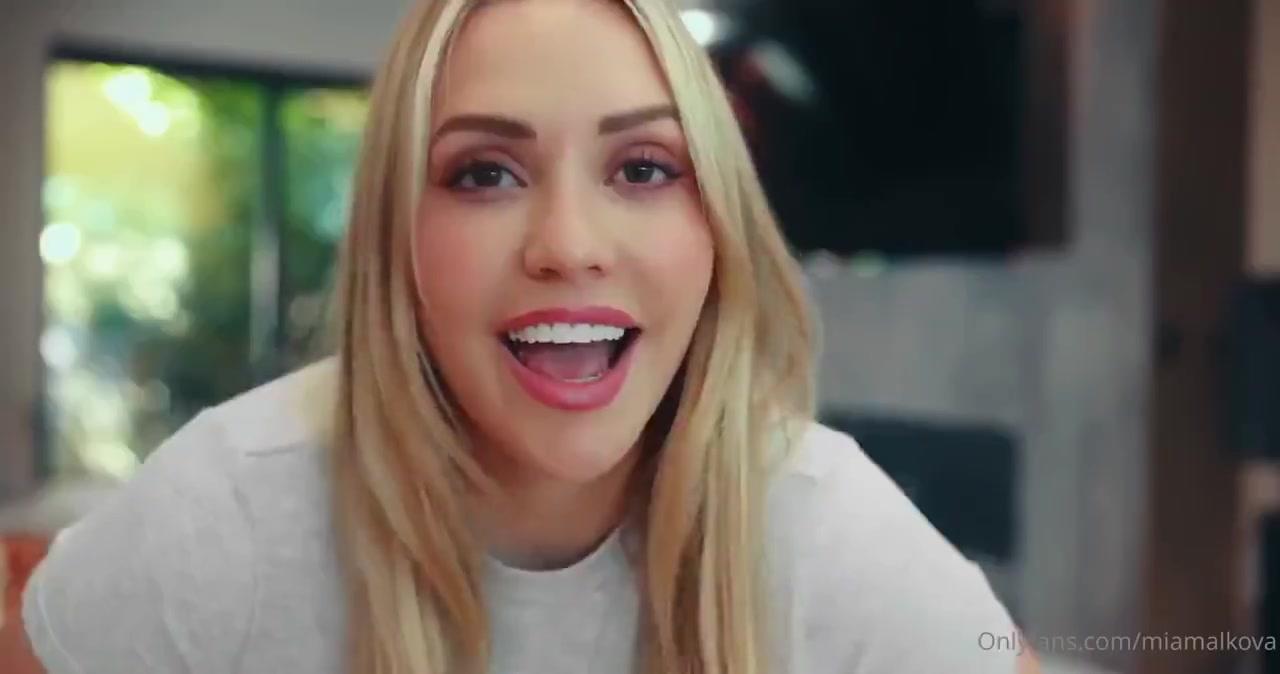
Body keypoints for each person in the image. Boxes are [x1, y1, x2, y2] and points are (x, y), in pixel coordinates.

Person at [20, 0, 1041, 672]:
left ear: (717, 229)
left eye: (643, 168)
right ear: (397, 241)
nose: (568, 245)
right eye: (485, 174)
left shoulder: (820, 519)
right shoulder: (226, 508)